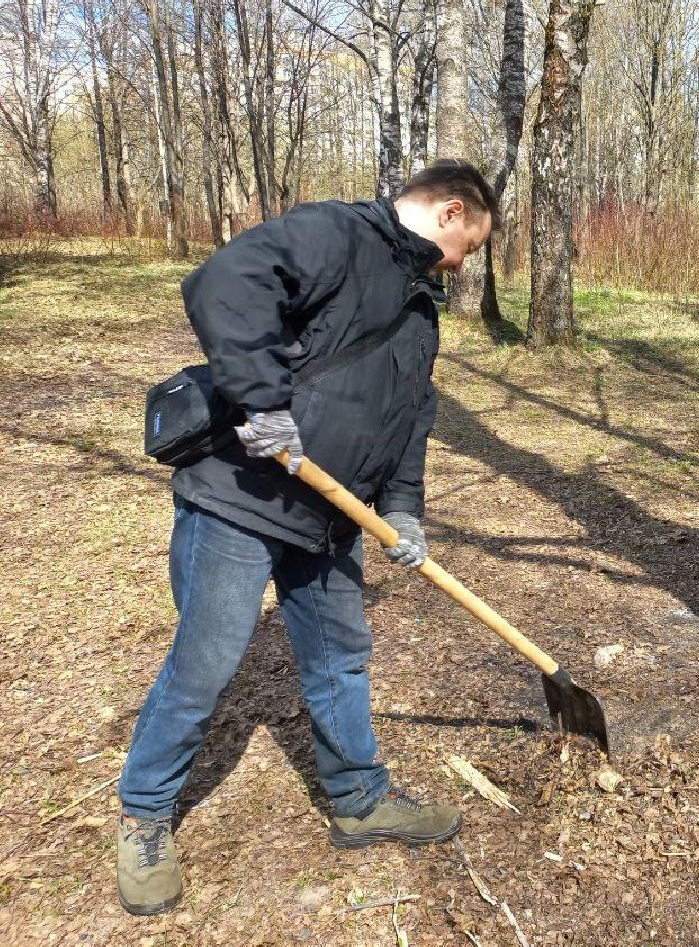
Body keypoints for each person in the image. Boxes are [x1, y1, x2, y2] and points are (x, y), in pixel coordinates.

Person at [116, 160, 499, 917]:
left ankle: (359, 800)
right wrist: (261, 401)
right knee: (204, 664)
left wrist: (405, 510)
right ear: (452, 214)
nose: (464, 264)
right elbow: (224, 282)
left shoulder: (420, 308)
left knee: (340, 657)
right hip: (241, 497)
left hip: (331, 516)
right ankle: (145, 816)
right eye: (471, 246)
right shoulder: (336, 233)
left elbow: (410, 421)